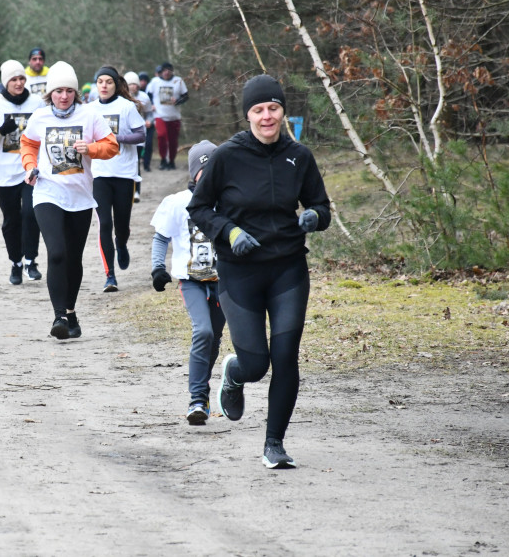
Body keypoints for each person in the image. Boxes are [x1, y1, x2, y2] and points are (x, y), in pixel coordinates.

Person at [187, 74, 330, 469]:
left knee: (286, 357)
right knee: (257, 364)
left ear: (283, 110)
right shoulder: (227, 156)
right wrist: (229, 231)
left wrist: (315, 216)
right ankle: (235, 373)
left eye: (273, 108)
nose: (267, 116)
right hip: (240, 272)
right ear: (248, 114)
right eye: (258, 109)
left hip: (287, 269)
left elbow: (321, 205)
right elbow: (198, 208)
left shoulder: (299, 156)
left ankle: (274, 443)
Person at [20, 61, 118, 339]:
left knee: (74, 258)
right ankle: (59, 317)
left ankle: (71, 313)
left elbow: (112, 146)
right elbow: (27, 143)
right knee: (58, 252)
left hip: (80, 197)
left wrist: (92, 148)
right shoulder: (39, 117)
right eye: (58, 91)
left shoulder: (90, 116)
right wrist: (29, 166)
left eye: (69, 91)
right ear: (49, 93)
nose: (64, 96)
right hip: (47, 192)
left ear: (76, 92)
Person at [150, 140, 225, 425]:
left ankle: (202, 393)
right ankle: (196, 399)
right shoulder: (177, 202)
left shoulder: (229, 201)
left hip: (223, 280)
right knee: (203, 331)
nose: (209, 176)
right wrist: (158, 268)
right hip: (191, 280)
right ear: (194, 173)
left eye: (215, 170)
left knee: (215, 338)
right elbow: (161, 238)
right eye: (204, 170)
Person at [0, 60, 45, 284]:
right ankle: (15, 263)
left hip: (30, 170)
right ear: (5, 82)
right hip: (3, 174)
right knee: (11, 220)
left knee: (30, 215)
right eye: (13, 79)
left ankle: (30, 261)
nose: (18, 83)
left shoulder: (37, 103)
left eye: (21, 78)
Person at [89, 66, 145, 292]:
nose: (103, 85)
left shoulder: (127, 107)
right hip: (99, 174)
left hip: (124, 174)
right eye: (100, 81)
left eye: (108, 82)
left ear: (115, 84)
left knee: (121, 225)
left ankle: (121, 244)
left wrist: (115, 138)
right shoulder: (89, 109)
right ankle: (109, 275)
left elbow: (142, 135)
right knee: (104, 224)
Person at [146, 62, 189, 170]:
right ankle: (163, 159)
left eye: (169, 70)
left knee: (173, 140)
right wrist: (151, 104)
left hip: (174, 116)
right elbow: (148, 94)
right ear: (161, 71)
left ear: (172, 71)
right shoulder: (155, 82)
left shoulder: (178, 81)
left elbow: (186, 96)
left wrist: (178, 101)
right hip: (159, 115)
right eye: (164, 70)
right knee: (162, 135)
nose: (167, 72)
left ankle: (172, 161)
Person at [125, 70, 153, 200]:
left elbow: (149, 113)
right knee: (125, 162)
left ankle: (137, 191)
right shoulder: (121, 98)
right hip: (125, 135)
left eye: (136, 84)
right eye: (131, 84)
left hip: (139, 134)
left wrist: (149, 121)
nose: (134, 86)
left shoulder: (144, 97)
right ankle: (127, 190)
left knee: (135, 163)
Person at [137, 71, 155, 172]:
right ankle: (139, 163)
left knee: (148, 144)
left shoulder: (150, 92)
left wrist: (150, 120)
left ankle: (147, 164)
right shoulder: (129, 95)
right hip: (138, 125)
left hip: (148, 123)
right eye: (141, 80)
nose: (143, 82)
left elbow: (151, 112)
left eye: (145, 80)